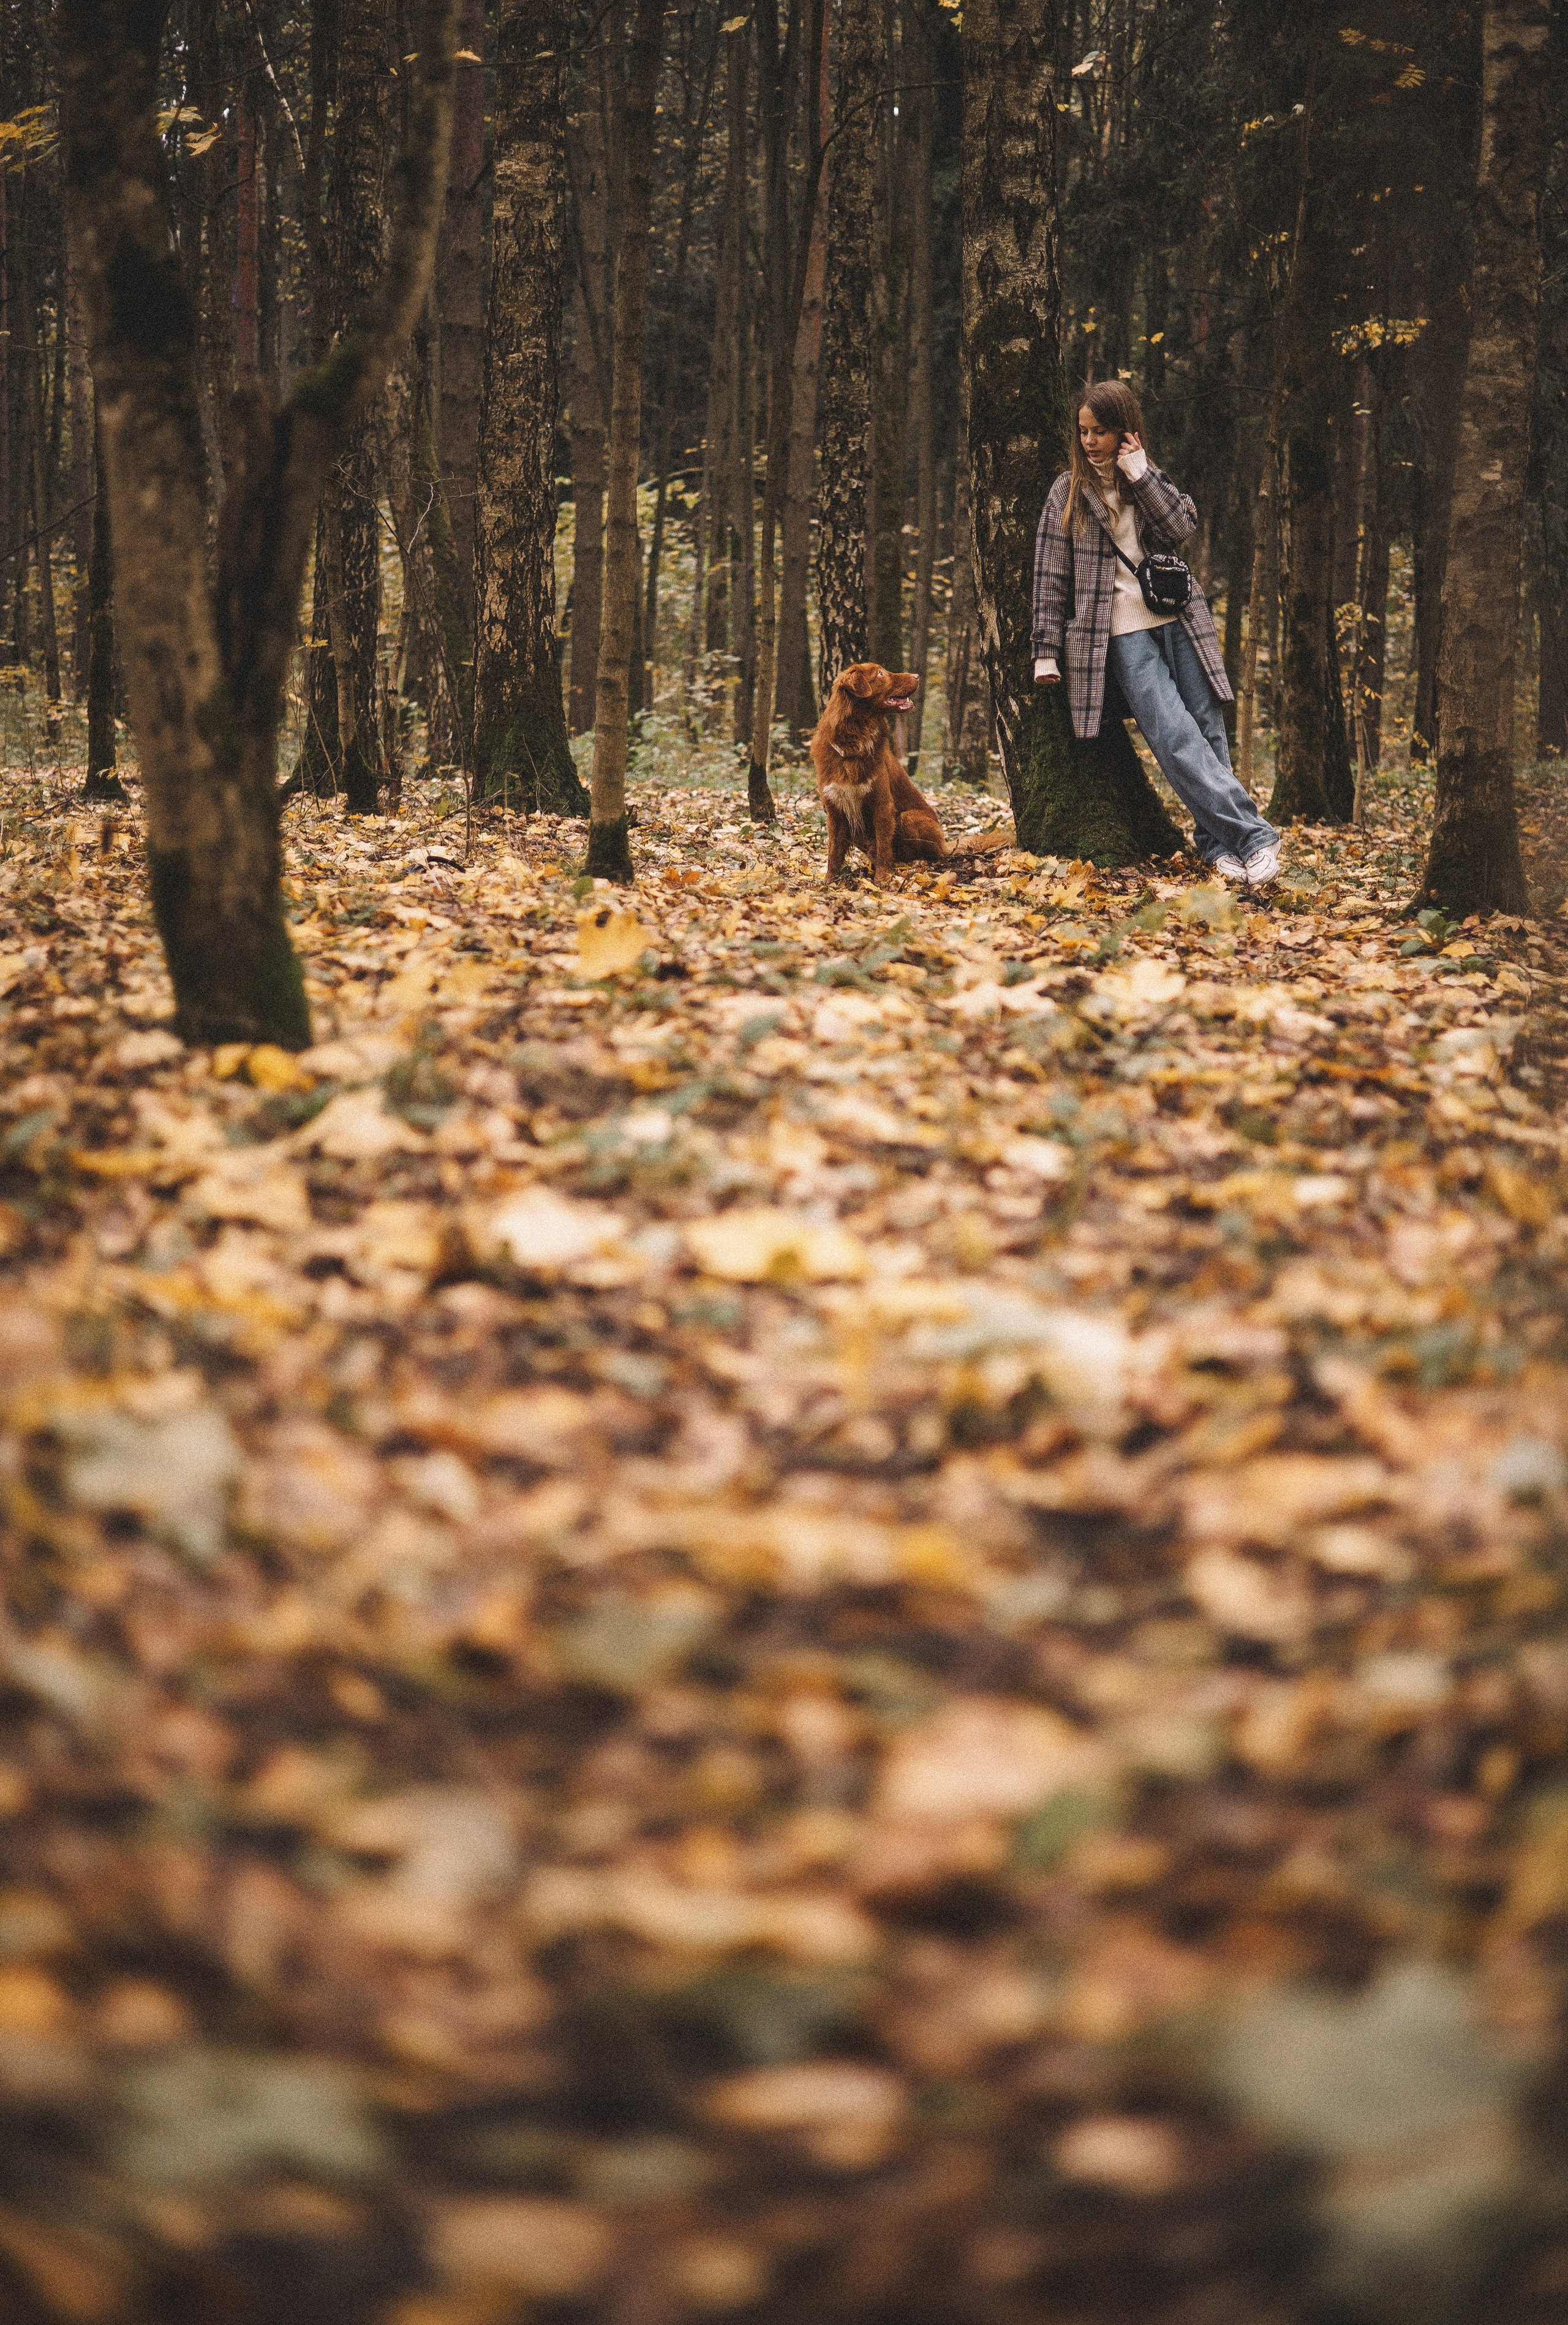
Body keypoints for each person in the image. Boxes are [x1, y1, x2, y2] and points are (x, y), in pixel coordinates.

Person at [1031, 380, 1280, 889]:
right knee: (1172, 735)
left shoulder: (1147, 478)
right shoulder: (1067, 491)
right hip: (1120, 633)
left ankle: (1218, 846)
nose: (1090, 441)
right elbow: (1050, 575)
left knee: (1208, 729)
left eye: (1101, 431)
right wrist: (1045, 652)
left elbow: (1180, 529)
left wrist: (1140, 474)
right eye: (1083, 431)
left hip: (1180, 618)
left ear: (1125, 431)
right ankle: (1256, 836)